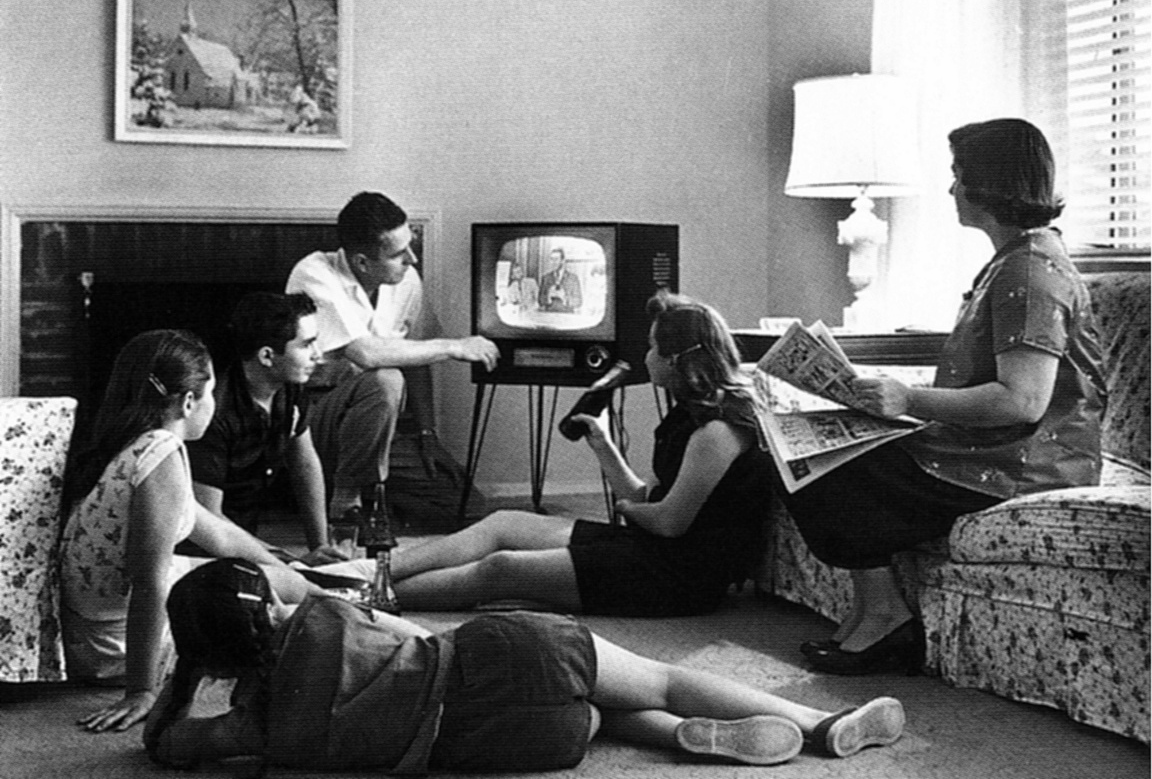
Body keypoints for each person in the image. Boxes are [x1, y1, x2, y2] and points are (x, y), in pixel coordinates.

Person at [785, 118, 1107, 675]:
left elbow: (1022, 402)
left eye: (959, 175)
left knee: (828, 468)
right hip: (988, 449)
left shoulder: (1030, 272)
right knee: (810, 454)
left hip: (1024, 464)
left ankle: (885, 620)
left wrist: (906, 399)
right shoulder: (1014, 261)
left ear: (991, 181)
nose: (952, 188)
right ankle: (872, 614)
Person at [143, 558, 906, 771]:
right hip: (504, 659)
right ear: (268, 605)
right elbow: (399, 623)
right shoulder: (321, 613)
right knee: (658, 672)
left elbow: (167, 745)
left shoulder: (256, 729)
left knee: (597, 717)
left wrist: (181, 681)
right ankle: (817, 720)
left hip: (505, 747)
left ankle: (678, 738)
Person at [386, 292, 777, 616]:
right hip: (651, 548)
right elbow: (646, 499)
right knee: (503, 524)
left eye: (653, 347)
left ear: (676, 360)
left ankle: (371, 599)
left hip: (678, 577)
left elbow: (667, 522)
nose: (646, 357)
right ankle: (374, 571)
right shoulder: (689, 414)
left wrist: (626, 513)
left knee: (502, 567)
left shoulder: (718, 431)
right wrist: (603, 444)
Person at [59, 330, 319, 733]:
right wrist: (141, 690)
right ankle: (352, 606)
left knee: (287, 580)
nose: (215, 403)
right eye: (212, 391)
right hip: (113, 643)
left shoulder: (135, 442)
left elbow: (217, 534)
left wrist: (293, 566)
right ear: (188, 402)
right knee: (270, 603)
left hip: (92, 629)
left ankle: (342, 591)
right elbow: (149, 583)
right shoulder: (161, 452)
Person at [285, 192, 500, 521]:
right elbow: (365, 353)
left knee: (467, 508)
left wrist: (427, 433)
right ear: (361, 262)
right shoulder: (313, 275)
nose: (412, 258)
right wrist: (454, 346)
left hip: (377, 430)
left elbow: (416, 356)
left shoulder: (405, 278)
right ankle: (346, 498)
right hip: (313, 423)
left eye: (410, 245)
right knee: (386, 378)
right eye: (399, 253)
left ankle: (367, 487)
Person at [185, 292, 342, 565]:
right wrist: (288, 561)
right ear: (267, 356)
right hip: (204, 553)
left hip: (250, 542)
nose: (318, 356)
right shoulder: (215, 413)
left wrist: (321, 546)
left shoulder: (290, 390)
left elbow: (305, 464)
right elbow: (209, 521)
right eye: (307, 345)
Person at [539, 246, 583, 312]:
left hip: (567, 317)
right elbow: (540, 300)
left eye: (556, 259)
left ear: (562, 261)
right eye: (551, 259)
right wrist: (548, 297)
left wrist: (564, 298)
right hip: (548, 316)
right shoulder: (546, 278)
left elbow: (578, 301)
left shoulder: (573, 278)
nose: (553, 262)